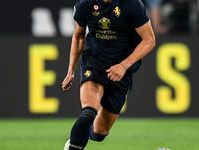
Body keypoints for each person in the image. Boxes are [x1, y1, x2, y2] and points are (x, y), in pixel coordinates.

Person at [62, 0, 155, 149]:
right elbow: (79, 36)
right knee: (88, 112)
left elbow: (149, 39)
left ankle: (83, 134)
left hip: (122, 66)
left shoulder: (132, 4)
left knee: (99, 132)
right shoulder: (85, 4)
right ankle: (73, 145)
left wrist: (124, 65)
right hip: (95, 60)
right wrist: (70, 72)